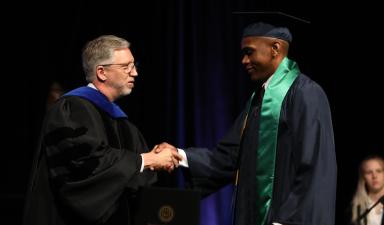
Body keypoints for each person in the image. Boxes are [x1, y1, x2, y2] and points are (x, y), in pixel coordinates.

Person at [156, 21, 337, 225]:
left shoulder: (306, 94)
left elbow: (316, 169)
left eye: (249, 52)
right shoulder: (258, 99)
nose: (244, 60)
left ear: (275, 49)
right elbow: (229, 158)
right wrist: (180, 155)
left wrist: (288, 221)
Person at [23, 35, 182, 225]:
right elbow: (84, 165)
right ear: (102, 72)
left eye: (134, 66)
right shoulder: (72, 109)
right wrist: (146, 160)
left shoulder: (123, 123)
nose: (135, 73)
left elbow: (132, 180)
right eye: (126, 67)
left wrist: (155, 159)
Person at [349, 155, 384, 225]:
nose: (374, 176)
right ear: (363, 177)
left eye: (379, 171)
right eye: (369, 172)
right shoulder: (354, 208)